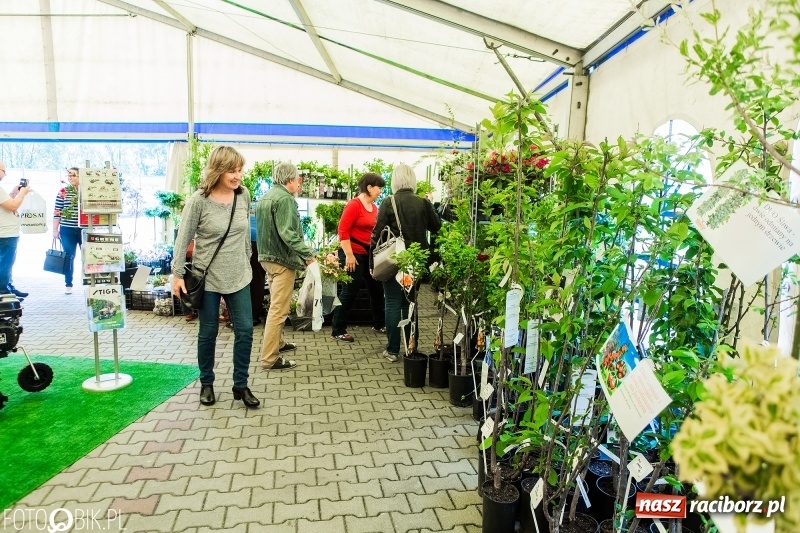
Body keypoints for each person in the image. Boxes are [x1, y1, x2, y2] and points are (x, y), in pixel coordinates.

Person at [171, 146, 259, 409]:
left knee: (245, 330)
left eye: (240, 170)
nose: (238, 176)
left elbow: (245, 233)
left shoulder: (243, 196)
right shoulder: (199, 200)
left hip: (239, 275)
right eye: (232, 171)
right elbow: (183, 238)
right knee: (208, 332)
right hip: (206, 277)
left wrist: (247, 258)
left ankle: (240, 384)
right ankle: (206, 383)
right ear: (218, 171)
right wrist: (177, 274)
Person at [371, 163, 441, 362]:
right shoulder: (423, 203)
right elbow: (436, 226)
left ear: (395, 180)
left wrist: (371, 262)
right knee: (410, 302)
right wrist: (431, 205)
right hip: (416, 261)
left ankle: (393, 350)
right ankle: (411, 347)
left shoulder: (389, 202)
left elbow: (377, 233)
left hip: (394, 261)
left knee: (392, 301)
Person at [256, 162, 316, 371]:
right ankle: (270, 358)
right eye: (298, 179)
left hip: (267, 258)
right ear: (290, 180)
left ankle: (279, 343)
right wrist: (308, 255)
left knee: (276, 304)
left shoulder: (265, 197)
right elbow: (288, 233)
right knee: (279, 310)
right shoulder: (285, 199)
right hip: (281, 261)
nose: (299, 184)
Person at [330, 172, 386, 342]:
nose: (380, 191)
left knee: (377, 290)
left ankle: (379, 323)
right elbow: (343, 231)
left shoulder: (374, 207)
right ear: (369, 187)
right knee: (350, 292)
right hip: (352, 254)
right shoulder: (354, 205)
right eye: (379, 188)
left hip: (368, 255)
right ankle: (338, 330)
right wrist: (349, 255)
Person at [0, 161, 31, 298]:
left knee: (6, 263)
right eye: (3, 171)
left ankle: (8, 287)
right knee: (5, 263)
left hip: (6, 232)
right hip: (5, 233)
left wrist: (13, 193)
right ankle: (4, 291)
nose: (5, 174)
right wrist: (22, 194)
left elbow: (5, 204)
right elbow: (12, 206)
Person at [53, 167, 82, 294]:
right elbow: (57, 211)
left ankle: (88, 281)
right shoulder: (63, 191)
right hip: (67, 229)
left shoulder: (86, 191)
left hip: (84, 229)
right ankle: (68, 283)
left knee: (88, 256)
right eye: (69, 175)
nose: (70, 177)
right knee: (69, 256)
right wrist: (55, 230)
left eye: (73, 175)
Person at [249, 206, 266, 327]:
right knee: (258, 280)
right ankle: (254, 316)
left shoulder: (243, 214)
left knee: (243, 281)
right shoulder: (260, 216)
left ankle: (241, 316)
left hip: (245, 243)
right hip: (260, 245)